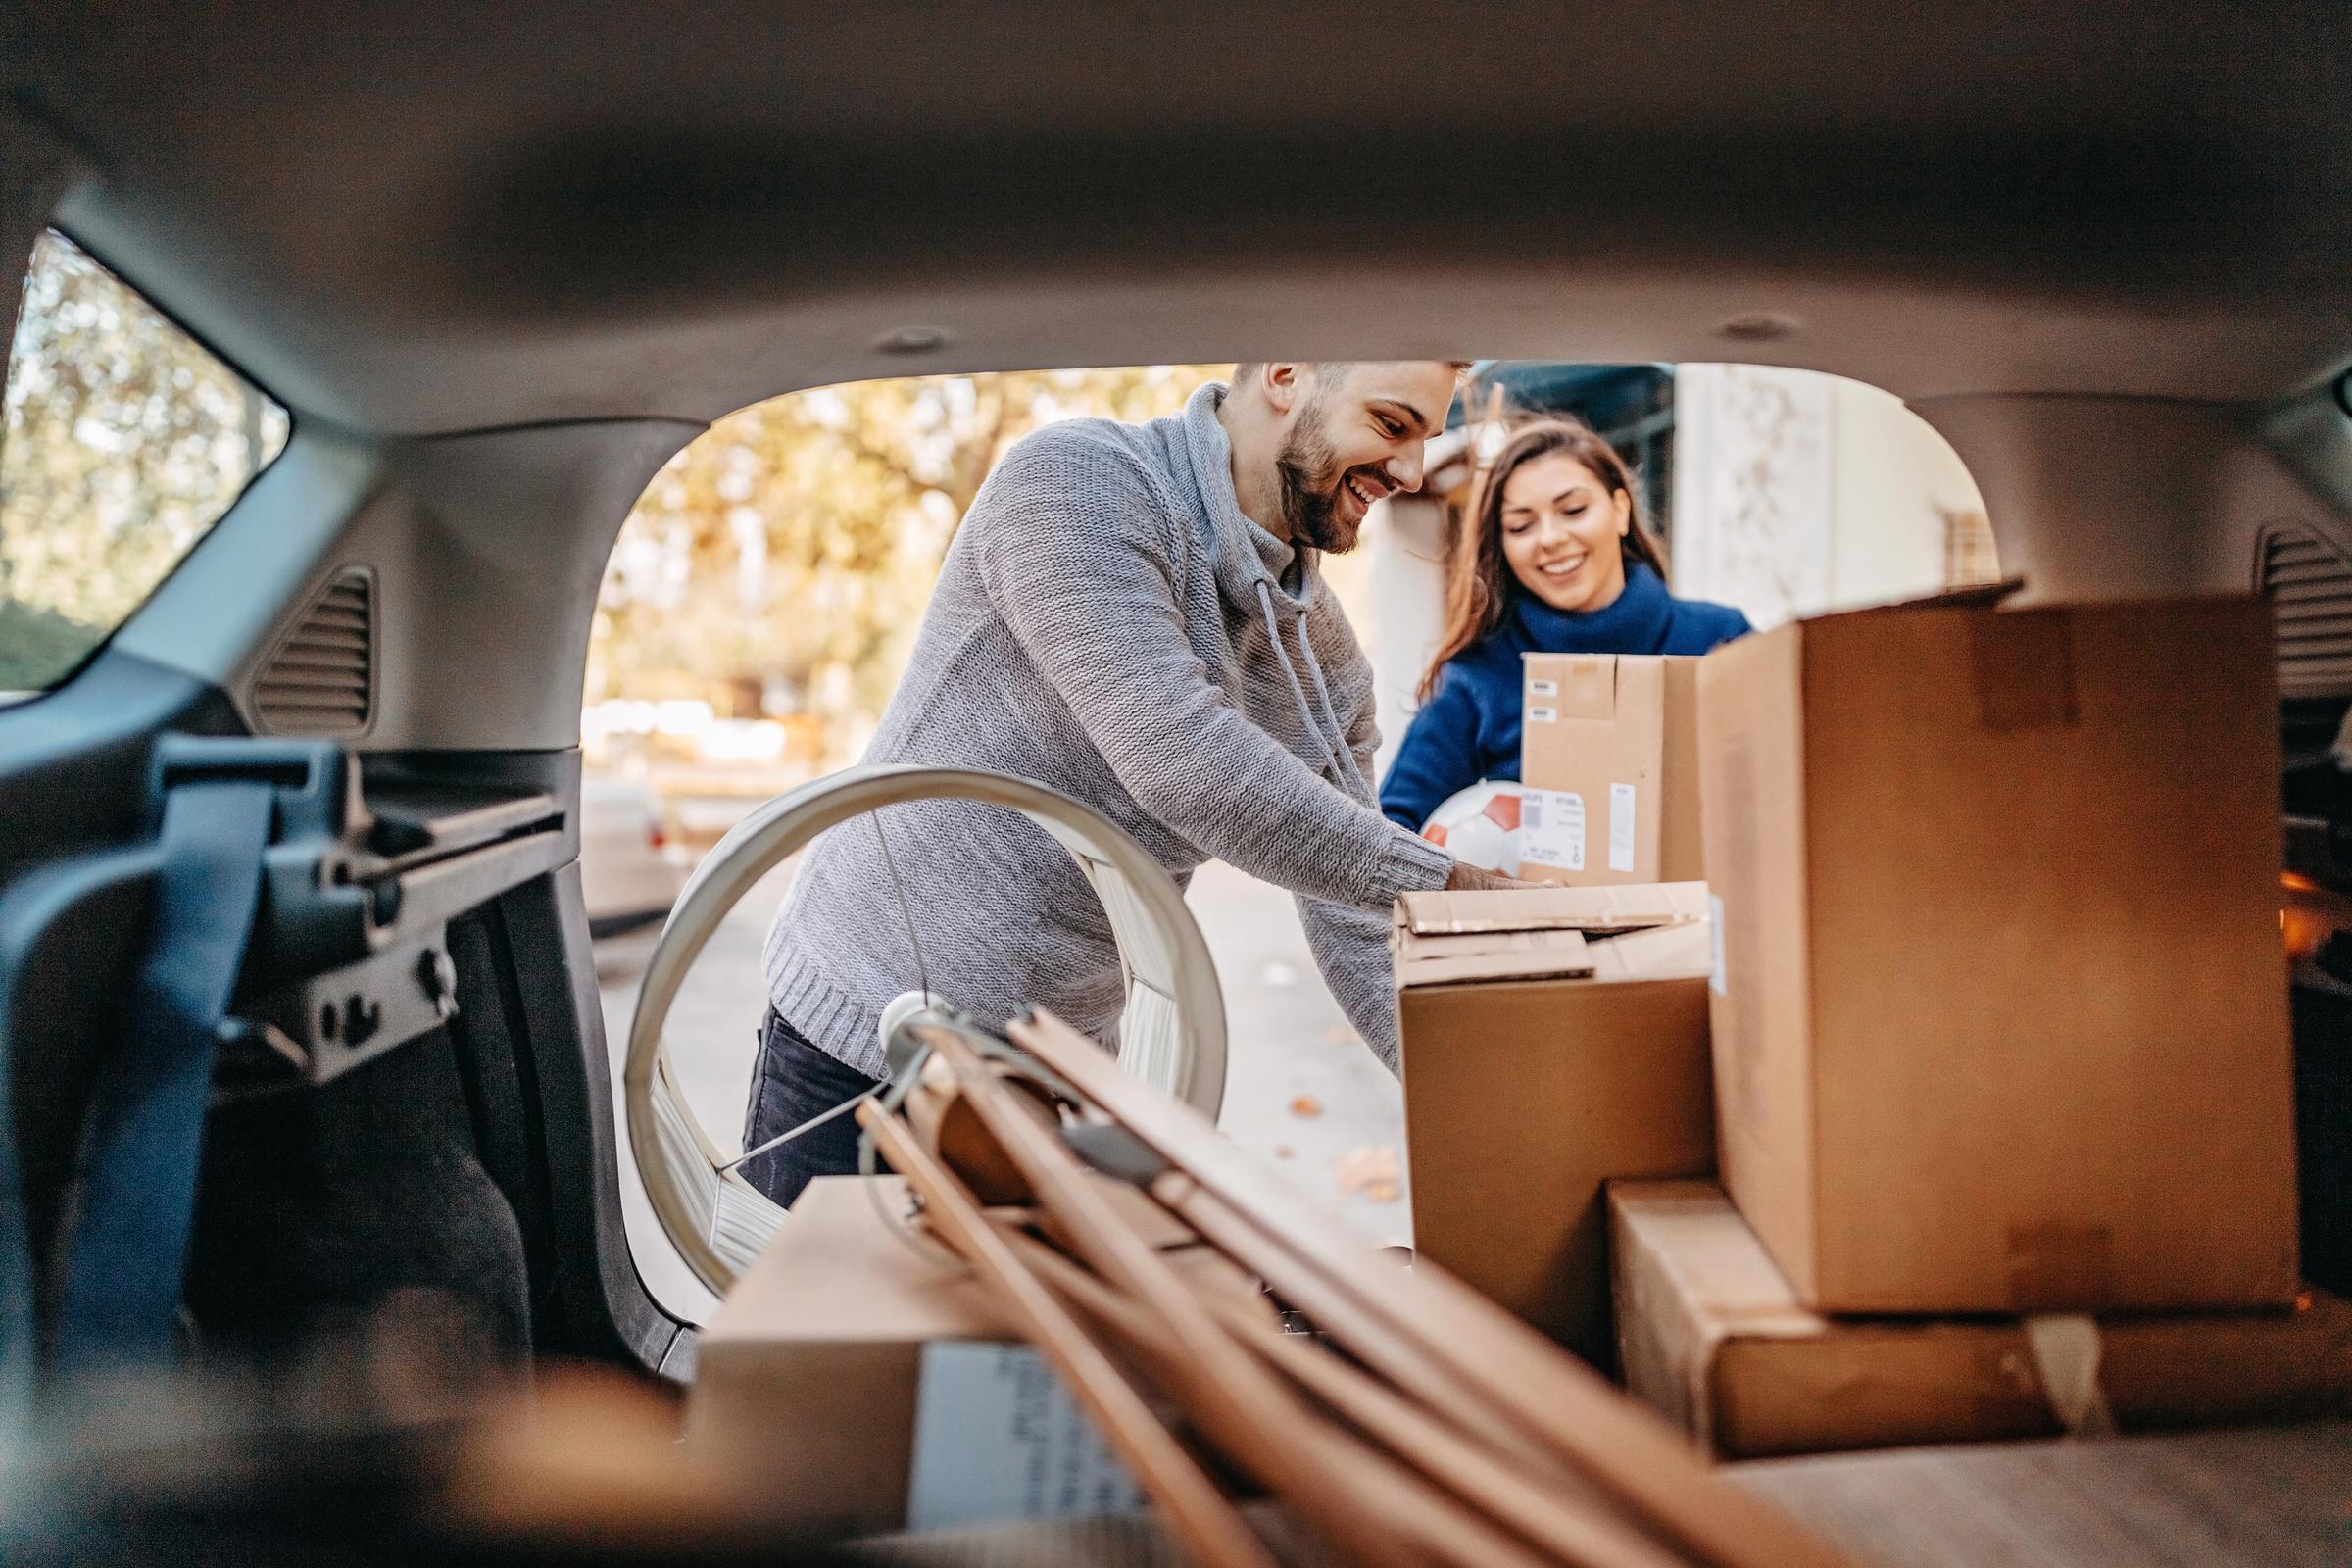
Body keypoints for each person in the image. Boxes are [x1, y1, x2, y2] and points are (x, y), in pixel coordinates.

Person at [745, 363, 1531, 1207]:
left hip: (1049, 1071)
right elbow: (1183, 761)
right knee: (819, 1335)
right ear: (1285, 372)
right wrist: (1456, 886)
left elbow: (1356, 918)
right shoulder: (1077, 484)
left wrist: (1494, 1115)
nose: (1413, 471)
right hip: (867, 1030)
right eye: (1391, 424)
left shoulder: (1322, 660)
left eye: (1425, 438)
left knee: (1008, 1342)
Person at [1380, 416, 1750, 831]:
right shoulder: (1477, 677)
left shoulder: (1723, 641)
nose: (1550, 538)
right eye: (1521, 526)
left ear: (1621, 510)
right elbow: (1391, 831)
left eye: (1573, 510)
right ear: (1502, 546)